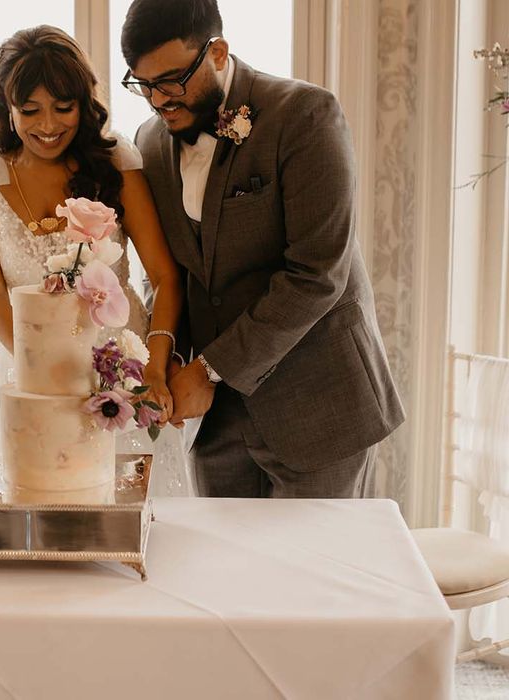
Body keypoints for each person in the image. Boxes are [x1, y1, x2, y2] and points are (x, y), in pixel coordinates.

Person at [120, 0, 405, 498]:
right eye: (143, 85)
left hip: (319, 409)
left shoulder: (305, 115)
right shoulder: (148, 143)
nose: (158, 100)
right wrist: (162, 360)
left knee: (314, 573)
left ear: (217, 53)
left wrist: (211, 369)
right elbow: (170, 272)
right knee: (225, 574)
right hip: (214, 424)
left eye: (171, 80)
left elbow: (317, 275)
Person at [0, 25, 191, 495]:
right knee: (40, 508)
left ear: (84, 105)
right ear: (7, 108)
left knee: (129, 510)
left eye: (62, 107)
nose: (47, 125)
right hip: (27, 373)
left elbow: (166, 276)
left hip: (121, 370)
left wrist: (154, 366)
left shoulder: (115, 166)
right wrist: (45, 374)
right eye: (30, 110)